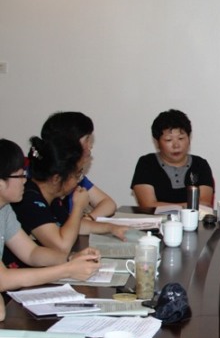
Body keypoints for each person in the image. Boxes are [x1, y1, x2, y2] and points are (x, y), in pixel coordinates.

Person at [0, 139, 99, 319]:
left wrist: (70, 259)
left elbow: (31, 253)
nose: (25, 181)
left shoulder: (4, 209)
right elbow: (4, 279)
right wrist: (67, 270)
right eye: (20, 176)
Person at [3, 136, 123, 268]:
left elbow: (72, 226)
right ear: (56, 178)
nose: (24, 180)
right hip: (22, 274)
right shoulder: (28, 199)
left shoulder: (51, 197)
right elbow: (62, 246)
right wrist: (78, 207)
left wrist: (112, 228)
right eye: (77, 175)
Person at [40, 111, 127, 232]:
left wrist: (89, 218)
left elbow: (108, 204)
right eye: (87, 140)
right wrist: (79, 211)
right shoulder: (43, 182)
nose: (90, 146)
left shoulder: (74, 175)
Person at [131, 109, 214, 208]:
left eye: (181, 138)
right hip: (158, 219)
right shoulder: (147, 163)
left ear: (189, 139)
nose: (176, 145)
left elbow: (204, 204)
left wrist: (166, 207)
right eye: (168, 140)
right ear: (157, 142)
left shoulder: (200, 164)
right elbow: (148, 205)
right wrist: (187, 207)